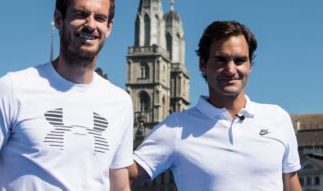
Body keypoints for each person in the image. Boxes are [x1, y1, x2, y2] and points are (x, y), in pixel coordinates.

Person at [0, 0, 133, 190]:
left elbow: (119, 187)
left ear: (109, 27)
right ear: (58, 19)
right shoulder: (12, 88)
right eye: (80, 14)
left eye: (100, 18)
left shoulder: (120, 102)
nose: (90, 25)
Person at [129, 20, 303, 191]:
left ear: (250, 65)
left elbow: (291, 185)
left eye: (239, 60)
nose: (231, 69)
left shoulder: (278, 118)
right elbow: (120, 179)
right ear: (203, 64)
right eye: (221, 60)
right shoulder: (176, 127)